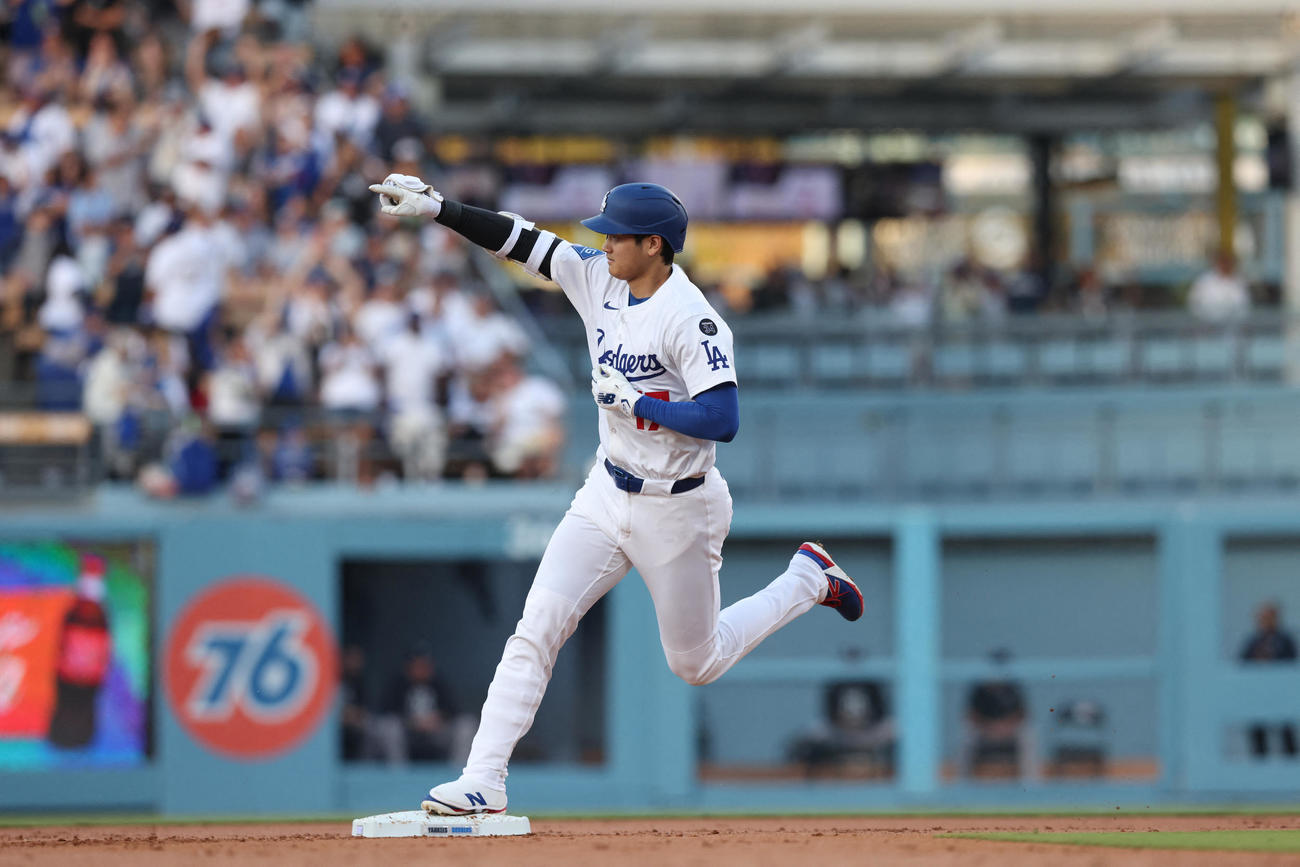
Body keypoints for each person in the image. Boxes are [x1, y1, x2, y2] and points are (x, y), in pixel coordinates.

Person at [369, 174, 865, 816]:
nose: (601, 244)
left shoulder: (693, 317)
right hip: (605, 492)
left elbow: (724, 419)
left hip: (678, 503)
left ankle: (806, 581)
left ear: (654, 245)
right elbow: (525, 242)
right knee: (537, 626)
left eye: (616, 236)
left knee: (697, 663)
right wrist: (442, 210)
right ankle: (482, 779)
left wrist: (642, 402)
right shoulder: (601, 278)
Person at [1239, 601, 1297, 758]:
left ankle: (1290, 762)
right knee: (1258, 731)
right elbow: (1243, 662)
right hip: (1258, 693)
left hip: (1281, 693)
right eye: (1262, 617)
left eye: (1268, 616)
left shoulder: (1285, 639)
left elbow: (1291, 661)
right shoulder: (1253, 641)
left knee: (1286, 731)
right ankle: (1259, 760)